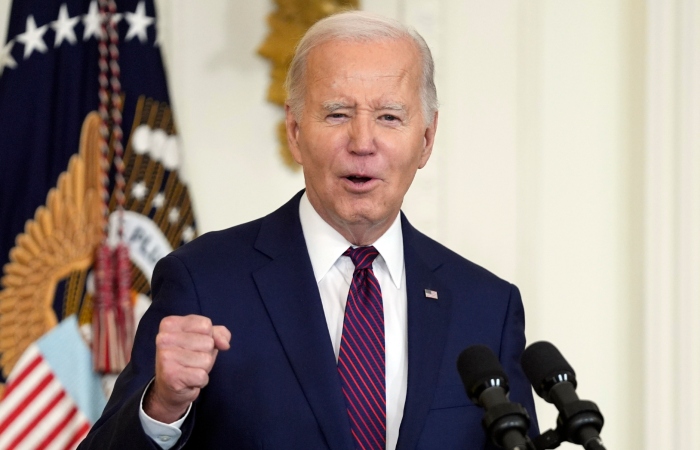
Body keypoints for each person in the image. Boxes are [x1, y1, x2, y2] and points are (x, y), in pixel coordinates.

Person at [79, 10, 538, 450]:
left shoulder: (487, 309)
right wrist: (162, 406)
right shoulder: (203, 282)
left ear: (426, 139)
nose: (362, 143)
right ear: (295, 131)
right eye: (337, 114)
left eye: (389, 117)